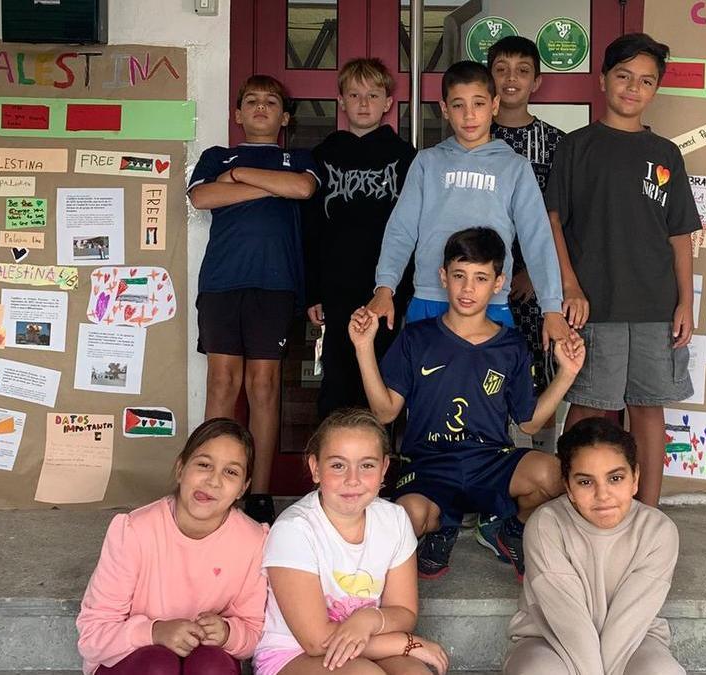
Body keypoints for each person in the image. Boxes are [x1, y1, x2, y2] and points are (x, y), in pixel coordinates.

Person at [350, 227, 585, 582]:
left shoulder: (511, 346)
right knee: (406, 518)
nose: (468, 288)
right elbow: (385, 412)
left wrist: (567, 374)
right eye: (459, 275)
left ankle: (508, 528)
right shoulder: (417, 337)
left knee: (556, 476)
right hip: (429, 465)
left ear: (498, 283)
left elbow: (529, 423)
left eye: (480, 278)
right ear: (443, 276)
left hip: (490, 462)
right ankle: (441, 525)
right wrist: (363, 347)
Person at [548, 33, 702, 507]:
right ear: (602, 80)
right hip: (595, 306)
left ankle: (648, 513)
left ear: (656, 89)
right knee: (590, 408)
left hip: (656, 308)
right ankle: (570, 506)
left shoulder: (666, 154)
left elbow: (680, 235)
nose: (633, 88)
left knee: (647, 410)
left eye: (646, 81)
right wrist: (570, 285)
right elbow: (552, 222)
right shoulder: (576, 147)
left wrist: (686, 302)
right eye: (623, 76)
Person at [365, 60, 575, 355]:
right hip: (430, 298)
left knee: (488, 384)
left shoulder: (514, 167)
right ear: (444, 109)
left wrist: (551, 308)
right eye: (458, 105)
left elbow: (537, 239)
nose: (469, 114)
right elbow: (401, 229)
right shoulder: (427, 163)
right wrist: (384, 288)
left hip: (491, 302)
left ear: (494, 105)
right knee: (424, 382)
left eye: (478, 103)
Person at [188, 74, 319, 524]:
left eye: (271, 102)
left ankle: (259, 492)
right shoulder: (215, 156)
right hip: (222, 284)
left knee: (263, 387)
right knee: (221, 385)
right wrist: (271, 185)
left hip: (275, 285)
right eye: (252, 101)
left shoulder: (298, 159)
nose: (261, 107)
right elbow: (203, 197)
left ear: (284, 118)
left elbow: (302, 189)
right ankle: (211, 487)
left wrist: (241, 176)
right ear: (238, 114)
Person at [253, 409, 449, 675]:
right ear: (315, 468)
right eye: (338, 465)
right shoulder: (294, 530)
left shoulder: (395, 520)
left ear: (384, 469)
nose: (352, 479)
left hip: (366, 641)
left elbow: (404, 611)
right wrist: (403, 643)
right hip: (293, 654)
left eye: (367, 465)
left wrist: (369, 619)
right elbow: (315, 640)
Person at [76, 419, 269, 675]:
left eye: (231, 472)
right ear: (180, 469)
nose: (213, 481)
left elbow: (255, 632)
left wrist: (228, 633)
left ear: (243, 488)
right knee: (159, 665)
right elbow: (92, 635)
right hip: (133, 662)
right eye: (204, 465)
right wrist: (154, 632)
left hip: (203, 663)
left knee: (212, 665)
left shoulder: (253, 542)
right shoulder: (135, 531)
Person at [505, 417, 685, 675]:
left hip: (635, 641)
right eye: (585, 482)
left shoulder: (658, 531)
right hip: (549, 639)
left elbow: (629, 621)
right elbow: (569, 622)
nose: (603, 495)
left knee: (661, 671)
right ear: (568, 487)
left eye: (616, 478)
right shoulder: (547, 525)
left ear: (635, 478)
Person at [304, 58, 416, 421]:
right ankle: (332, 453)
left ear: (388, 103)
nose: (363, 103)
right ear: (341, 101)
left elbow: (414, 228)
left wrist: (403, 289)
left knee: (382, 377)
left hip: (387, 288)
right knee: (337, 375)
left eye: (373, 95)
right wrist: (313, 291)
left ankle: (378, 454)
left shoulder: (405, 158)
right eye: (354, 95)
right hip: (336, 285)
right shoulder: (323, 155)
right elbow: (311, 227)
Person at [486, 35, 569, 453]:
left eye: (522, 70)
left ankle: (540, 462)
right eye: (501, 69)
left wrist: (536, 276)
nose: (511, 78)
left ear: (536, 81)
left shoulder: (557, 143)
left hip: (537, 287)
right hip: (483, 282)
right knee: (486, 372)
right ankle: (492, 459)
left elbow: (562, 219)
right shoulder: (475, 136)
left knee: (539, 375)